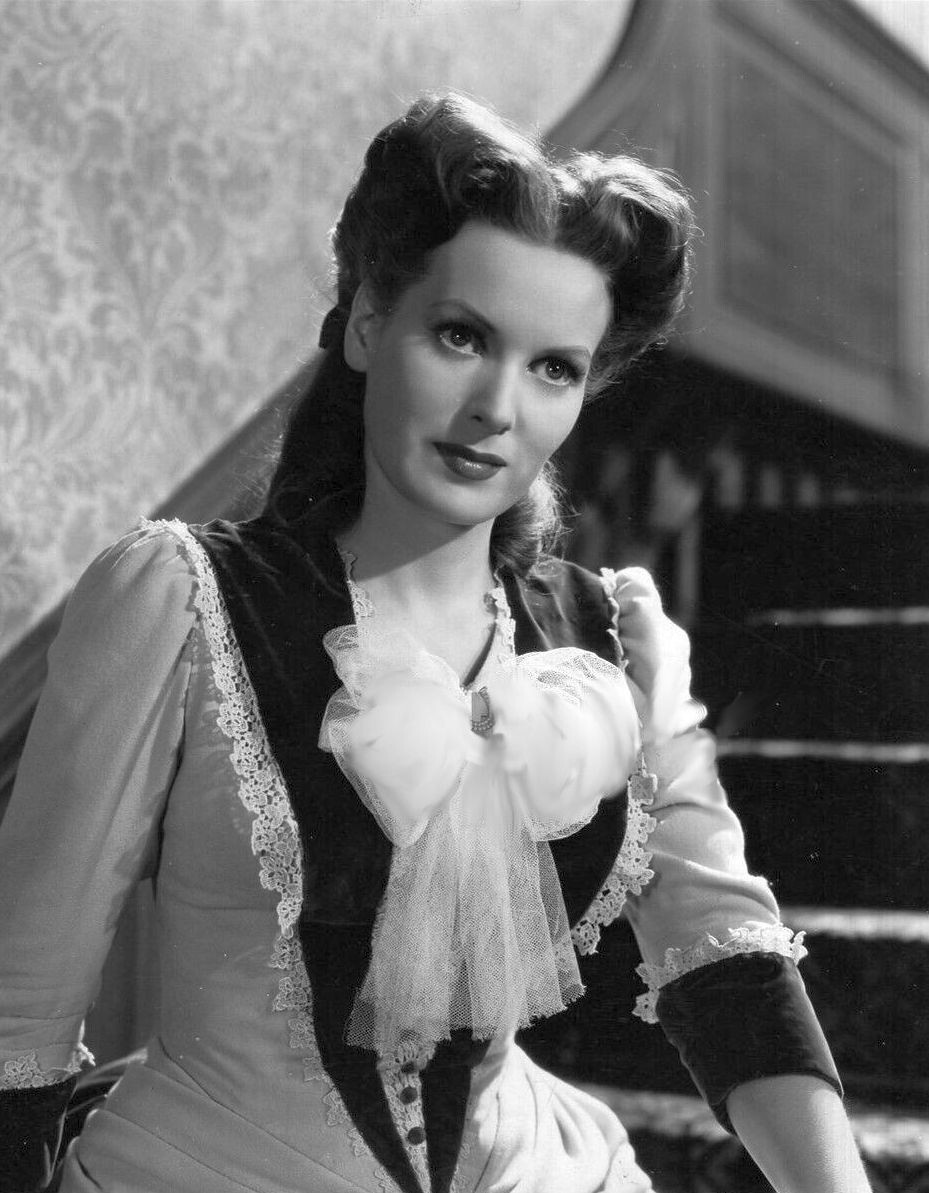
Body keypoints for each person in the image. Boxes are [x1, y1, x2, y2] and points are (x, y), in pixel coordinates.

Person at [0, 93, 870, 1193]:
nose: (496, 406)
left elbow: (723, 950)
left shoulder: (613, 637)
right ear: (370, 323)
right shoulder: (177, 599)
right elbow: (18, 1012)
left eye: (553, 367)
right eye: (462, 336)